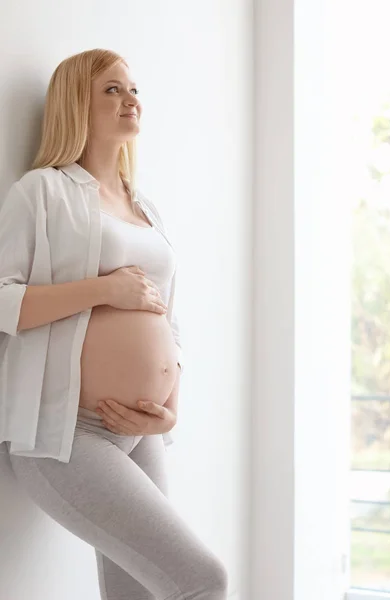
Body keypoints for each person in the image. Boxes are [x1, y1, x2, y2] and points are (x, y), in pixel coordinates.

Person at [0, 48, 228, 600]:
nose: (131, 99)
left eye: (134, 89)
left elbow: (169, 326)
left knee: (140, 595)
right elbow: (3, 298)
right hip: (67, 433)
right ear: (77, 103)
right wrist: (104, 289)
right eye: (112, 89)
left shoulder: (145, 208)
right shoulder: (44, 190)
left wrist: (170, 411)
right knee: (201, 579)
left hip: (142, 431)